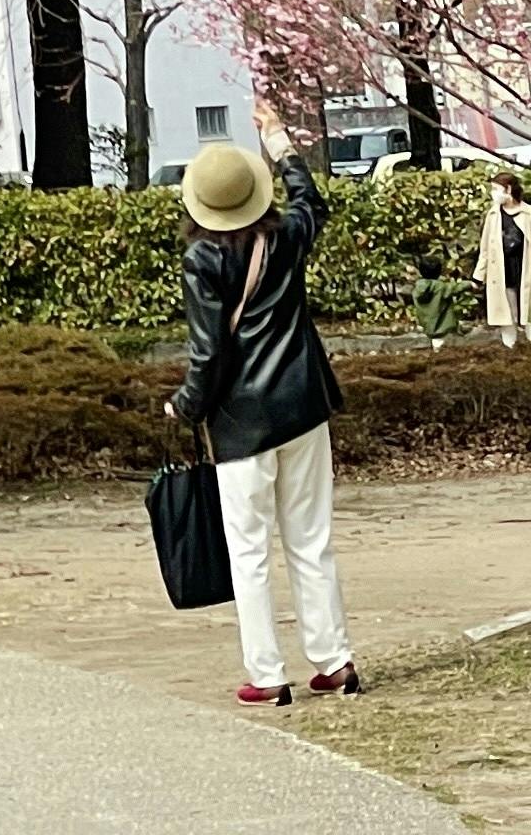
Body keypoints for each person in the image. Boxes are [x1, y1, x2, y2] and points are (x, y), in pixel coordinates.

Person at [167, 124, 359, 707]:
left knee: (249, 553)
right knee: (311, 540)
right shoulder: (288, 236)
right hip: (303, 406)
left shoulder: (202, 258)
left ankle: (269, 675)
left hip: (241, 423)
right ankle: (334, 661)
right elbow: (311, 200)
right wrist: (280, 144)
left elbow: (209, 353)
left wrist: (185, 405)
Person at [477, 169, 531, 349]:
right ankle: (510, 347)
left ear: (509, 189)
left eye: (496, 189)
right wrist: (479, 275)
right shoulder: (493, 215)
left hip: (525, 268)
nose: (493, 194)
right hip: (502, 271)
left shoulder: (530, 214)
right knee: (506, 313)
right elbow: (485, 248)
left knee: (530, 312)